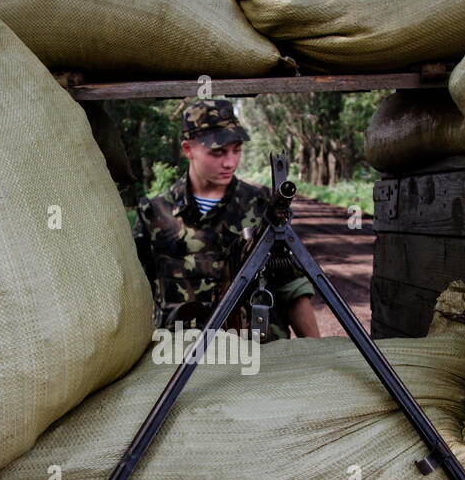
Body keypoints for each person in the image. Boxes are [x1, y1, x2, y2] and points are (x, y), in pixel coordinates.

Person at [131, 98, 322, 342]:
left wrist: (317, 350)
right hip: (181, 357)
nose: (230, 162)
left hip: (259, 355)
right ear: (188, 149)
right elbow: (134, 295)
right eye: (218, 152)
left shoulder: (263, 204)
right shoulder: (154, 212)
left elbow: (291, 286)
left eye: (236, 150)